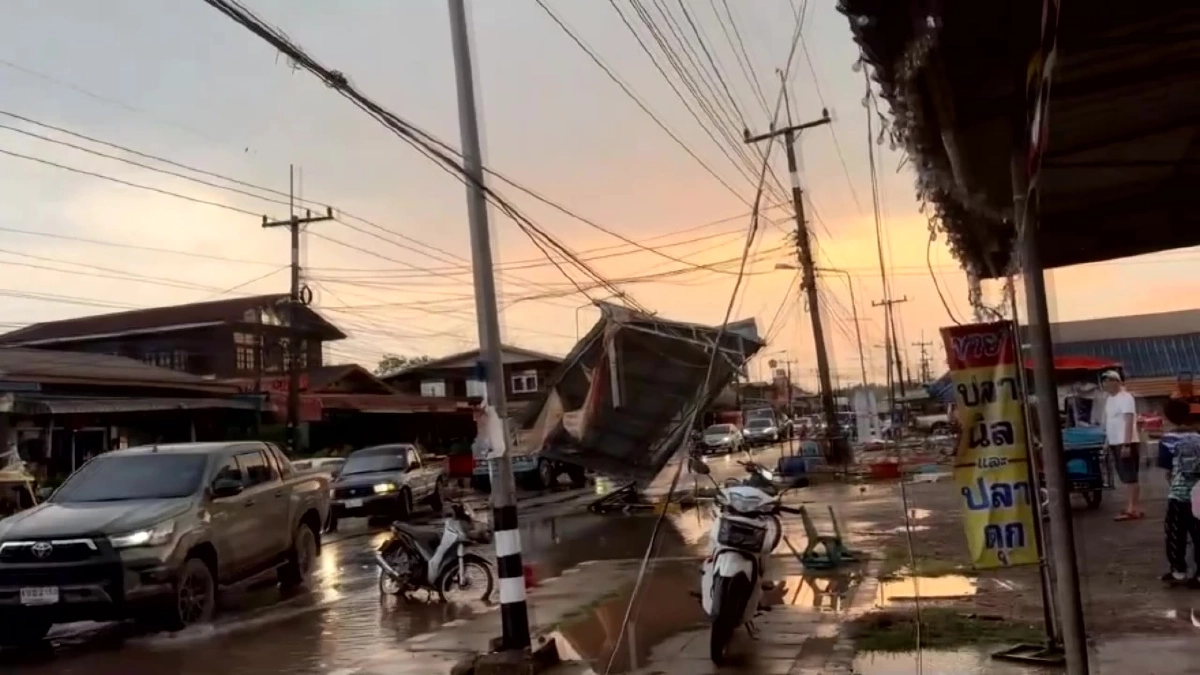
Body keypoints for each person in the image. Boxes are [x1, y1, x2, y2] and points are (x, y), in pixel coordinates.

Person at [1161, 398, 1200, 587]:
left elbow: (1167, 470)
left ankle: (1178, 571)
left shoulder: (1167, 439)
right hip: (1198, 494)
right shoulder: (1198, 436)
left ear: (1168, 417)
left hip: (1178, 494)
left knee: (1176, 533)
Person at [1102, 370, 1142, 520]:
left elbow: (1129, 420)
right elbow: (1110, 423)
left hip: (1126, 441)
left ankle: (1133, 508)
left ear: (1117, 382)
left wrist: (1126, 444)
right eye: (1104, 381)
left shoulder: (1126, 397)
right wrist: (1107, 442)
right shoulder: (1109, 400)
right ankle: (1130, 506)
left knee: (1130, 476)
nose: (1106, 384)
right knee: (1124, 476)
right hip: (1114, 442)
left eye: (1109, 380)